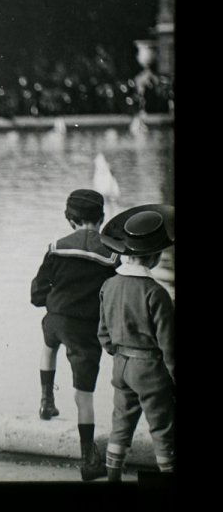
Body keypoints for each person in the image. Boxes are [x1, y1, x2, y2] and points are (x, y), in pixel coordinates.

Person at [30, 189, 119, 481]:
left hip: (56, 320)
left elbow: (37, 293)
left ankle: (46, 401)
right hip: (86, 330)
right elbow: (113, 295)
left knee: (49, 344)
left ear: (69, 219)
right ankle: (88, 458)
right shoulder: (110, 254)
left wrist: (53, 302)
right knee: (84, 395)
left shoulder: (56, 247)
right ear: (102, 218)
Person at [97, 205, 175, 482]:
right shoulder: (156, 293)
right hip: (150, 370)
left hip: (121, 366)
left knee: (121, 425)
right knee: (163, 429)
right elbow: (170, 347)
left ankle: (113, 478)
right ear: (153, 257)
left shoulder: (109, 285)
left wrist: (118, 353)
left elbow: (103, 333)